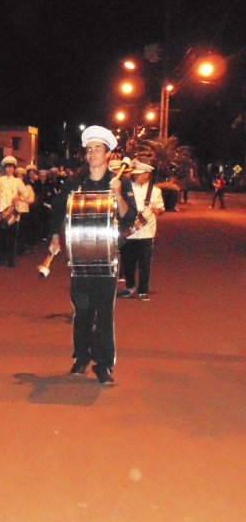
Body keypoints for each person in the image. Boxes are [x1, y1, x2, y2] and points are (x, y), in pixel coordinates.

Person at [49, 126, 137, 385]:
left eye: (97, 149)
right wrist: (55, 235)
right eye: (89, 149)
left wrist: (118, 193)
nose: (92, 153)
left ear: (108, 154)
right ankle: (81, 357)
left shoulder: (121, 182)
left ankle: (104, 363)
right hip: (79, 258)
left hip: (108, 258)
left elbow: (129, 216)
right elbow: (56, 211)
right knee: (82, 310)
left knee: (104, 312)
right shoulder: (74, 183)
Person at [119, 162, 165, 301]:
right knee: (128, 261)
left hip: (146, 231)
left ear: (146, 175)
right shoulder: (127, 188)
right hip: (129, 231)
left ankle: (143, 289)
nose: (135, 176)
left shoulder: (155, 191)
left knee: (145, 262)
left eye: (138, 174)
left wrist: (157, 210)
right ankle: (129, 286)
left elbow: (161, 208)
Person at [0, 156, 27, 268]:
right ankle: (1, 257)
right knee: (2, 237)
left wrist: (20, 199)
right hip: (2, 211)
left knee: (12, 237)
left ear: (14, 169)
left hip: (13, 212)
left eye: (11, 167)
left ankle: (11, 259)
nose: (9, 170)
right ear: (4, 168)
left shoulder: (18, 181)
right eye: (7, 167)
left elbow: (26, 193)